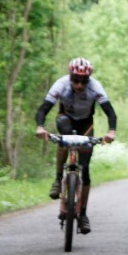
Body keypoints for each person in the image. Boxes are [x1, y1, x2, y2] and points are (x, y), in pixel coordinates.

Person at [34, 57, 116, 234]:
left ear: (88, 80)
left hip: (86, 125)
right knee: (63, 139)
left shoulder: (95, 87)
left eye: (83, 82)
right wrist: (40, 127)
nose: (79, 85)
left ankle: (83, 214)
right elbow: (44, 108)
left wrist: (111, 132)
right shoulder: (61, 84)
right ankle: (58, 179)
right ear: (70, 77)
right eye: (75, 81)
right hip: (66, 120)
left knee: (85, 170)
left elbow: (110, 111)